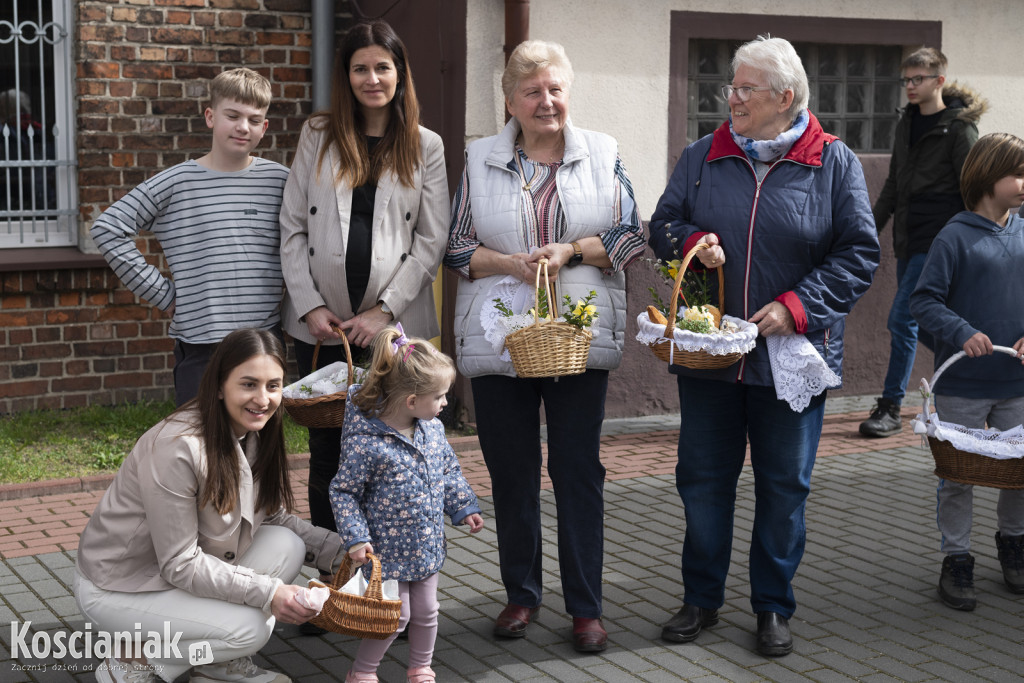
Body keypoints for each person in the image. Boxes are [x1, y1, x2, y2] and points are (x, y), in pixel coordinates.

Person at [648, 35, 879, 656]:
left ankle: (773, 605)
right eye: (732, 86)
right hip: (712, 357)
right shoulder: (703, 155)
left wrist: (795, 307)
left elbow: (859, 254)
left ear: (785, 97)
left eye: (746, 88)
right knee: (701, 481)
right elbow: (662, 226)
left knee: (784, 486)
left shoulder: (834, 161)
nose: (733, 98)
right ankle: (701, 598)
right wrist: (695, 240)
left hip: (791, 360)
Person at [444, 39, 645, 653]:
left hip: (575, 337)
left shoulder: (605, 153)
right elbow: (455, 249)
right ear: (510, 101)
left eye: (555, 88)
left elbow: (632, 236)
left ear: (568, 92)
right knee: (511, 471)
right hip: (500, 336)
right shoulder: (478, 160)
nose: (546, 100)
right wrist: (509, 262)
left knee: (578, 470)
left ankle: (586, 607)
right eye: (532, 91)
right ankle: (521, 595)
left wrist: (573, 250)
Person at [74, 329, 345, 683]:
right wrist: (270, 593)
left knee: (287, 543)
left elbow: (271, 516)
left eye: (273, 385)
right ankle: (129, 664)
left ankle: (215, 667)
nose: (263, 399)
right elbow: (180, 563)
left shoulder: (254, 431)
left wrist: (339, 553)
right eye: (249, 384)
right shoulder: (177, 447)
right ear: (219, 386)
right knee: (251, 628)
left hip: (172, 575)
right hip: (119, 588)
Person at [279, 19, 449, 553]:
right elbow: (291, 227)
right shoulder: (317, 134)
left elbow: (431, 238)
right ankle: (336, 578)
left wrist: (384, 311)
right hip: (321, 328)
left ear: (400, 72)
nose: (371, 78)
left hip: (391, 332)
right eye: (360, 68)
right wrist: (308, 306)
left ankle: (387, 586)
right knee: (329, 458)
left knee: (391, 455)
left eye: (382, 66)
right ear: (345, 75)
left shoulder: (426, 144)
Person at [90, 68, 289, 406]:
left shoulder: (281, 181)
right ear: (211, 117)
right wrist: (164, 295)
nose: (243, 127)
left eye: (255, 119)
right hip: (201, 343)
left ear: (264, 127)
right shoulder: (176, 182)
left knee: (256, 448)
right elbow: (108, 228)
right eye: (233, 116)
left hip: (263, 340)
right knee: (197, 445)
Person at [328, 326, 484, 683]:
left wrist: (464, 506)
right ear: (411, 402)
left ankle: (421, 667)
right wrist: (355, 538)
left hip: (426, 546)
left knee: (427, 611)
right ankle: (363, 671)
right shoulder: (368, 443)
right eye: (440, 396)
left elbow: (448, 469)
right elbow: (343, 491)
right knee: (395, 616)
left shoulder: (432, 431)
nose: (445, 403)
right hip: (386, 553)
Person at [909, 132, 1024, 611]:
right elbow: (923, 300)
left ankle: (1014, 546)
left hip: (1016, 385)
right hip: (960, 386)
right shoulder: (953, 237)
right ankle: (957, 559)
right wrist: (960, 331)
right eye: (1017, 172)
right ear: (986, 175)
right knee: (957, 478)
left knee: (1019, 472)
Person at [860, 47, 986, 438]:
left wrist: (970, 241)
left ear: (939, 81)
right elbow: (894, 184)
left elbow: (974, 189)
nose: (910, 87)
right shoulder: (907, 123)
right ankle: (977, 366)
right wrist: (866, 229)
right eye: (907, 80)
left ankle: (892, 406)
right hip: (909, 239)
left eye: (918, 79)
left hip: (941, 240)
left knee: (903, 319)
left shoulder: (958, 128)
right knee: (922, 324)